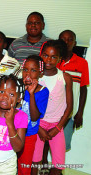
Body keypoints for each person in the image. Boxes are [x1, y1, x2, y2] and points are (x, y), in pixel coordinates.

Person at [31, 40, 73, 175]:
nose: (49, 59)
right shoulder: (34, 77)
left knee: (58, 165)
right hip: (38, 124)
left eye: (54, 57)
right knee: (35, 162)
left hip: (57, 125)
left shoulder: (65, 77)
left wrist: (58, 127)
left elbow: (69, 107)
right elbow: (27, 106)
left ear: (59, 59)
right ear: (41, 55)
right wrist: (38, 127)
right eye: (46, 55)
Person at [57, 30, 89, 151]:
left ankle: (57, 169)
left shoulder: (82, 63)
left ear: (75, 43)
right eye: (63, 39)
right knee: (46, 143)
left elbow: (83, 90)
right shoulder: (53, 60)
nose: (66, 42)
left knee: (62, 145)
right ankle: (44, 166)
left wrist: (80, 113)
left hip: (70, 113)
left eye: (70, 39)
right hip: (51, 112)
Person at [17, 55, 49, 175]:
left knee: (24, 167)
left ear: (40, 73)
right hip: (13, 132)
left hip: (29, 134)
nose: (28, 73)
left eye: (33, 70)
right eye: (25, 69)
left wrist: (30, 94)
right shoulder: (18, 86)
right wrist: (21, 91)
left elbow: (35, 117)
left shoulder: (43, 92)